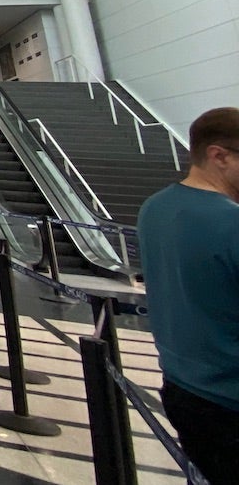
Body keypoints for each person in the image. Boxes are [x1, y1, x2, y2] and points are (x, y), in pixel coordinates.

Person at [137, 107, 239, 485]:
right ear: (219, 155)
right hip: (230, 399)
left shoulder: (154, 209)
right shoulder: (231, 223)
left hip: (182, 388)